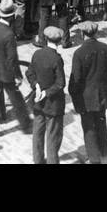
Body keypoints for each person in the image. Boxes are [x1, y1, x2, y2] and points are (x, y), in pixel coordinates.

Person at [0, 0, 32, 139]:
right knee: (17, 100)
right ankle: (26, 125)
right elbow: (12, 59)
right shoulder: (9, 34)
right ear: (11, 16)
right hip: (7, 73)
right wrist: (18, 76)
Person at [67, 20, 107, 164]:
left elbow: (76, 78)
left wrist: (74, 94)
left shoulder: (79, 53)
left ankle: (94, 158)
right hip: (101, 93)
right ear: (96, 32)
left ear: (82, 34)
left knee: (88, 126)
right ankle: (103, 149)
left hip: (85, 96)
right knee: (101, 121)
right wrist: (105, 88)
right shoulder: (105, 48)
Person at [25, 26, 67, 164]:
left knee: (37, 134)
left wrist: (36, 85)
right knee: (53, 137)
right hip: (53, 105)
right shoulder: (57, 59)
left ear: (46, 38)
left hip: (38, 103)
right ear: (59, 41)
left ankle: (38, 161)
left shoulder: (37, 54)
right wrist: (46, 92)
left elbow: (29, 73)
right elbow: (60, 83)